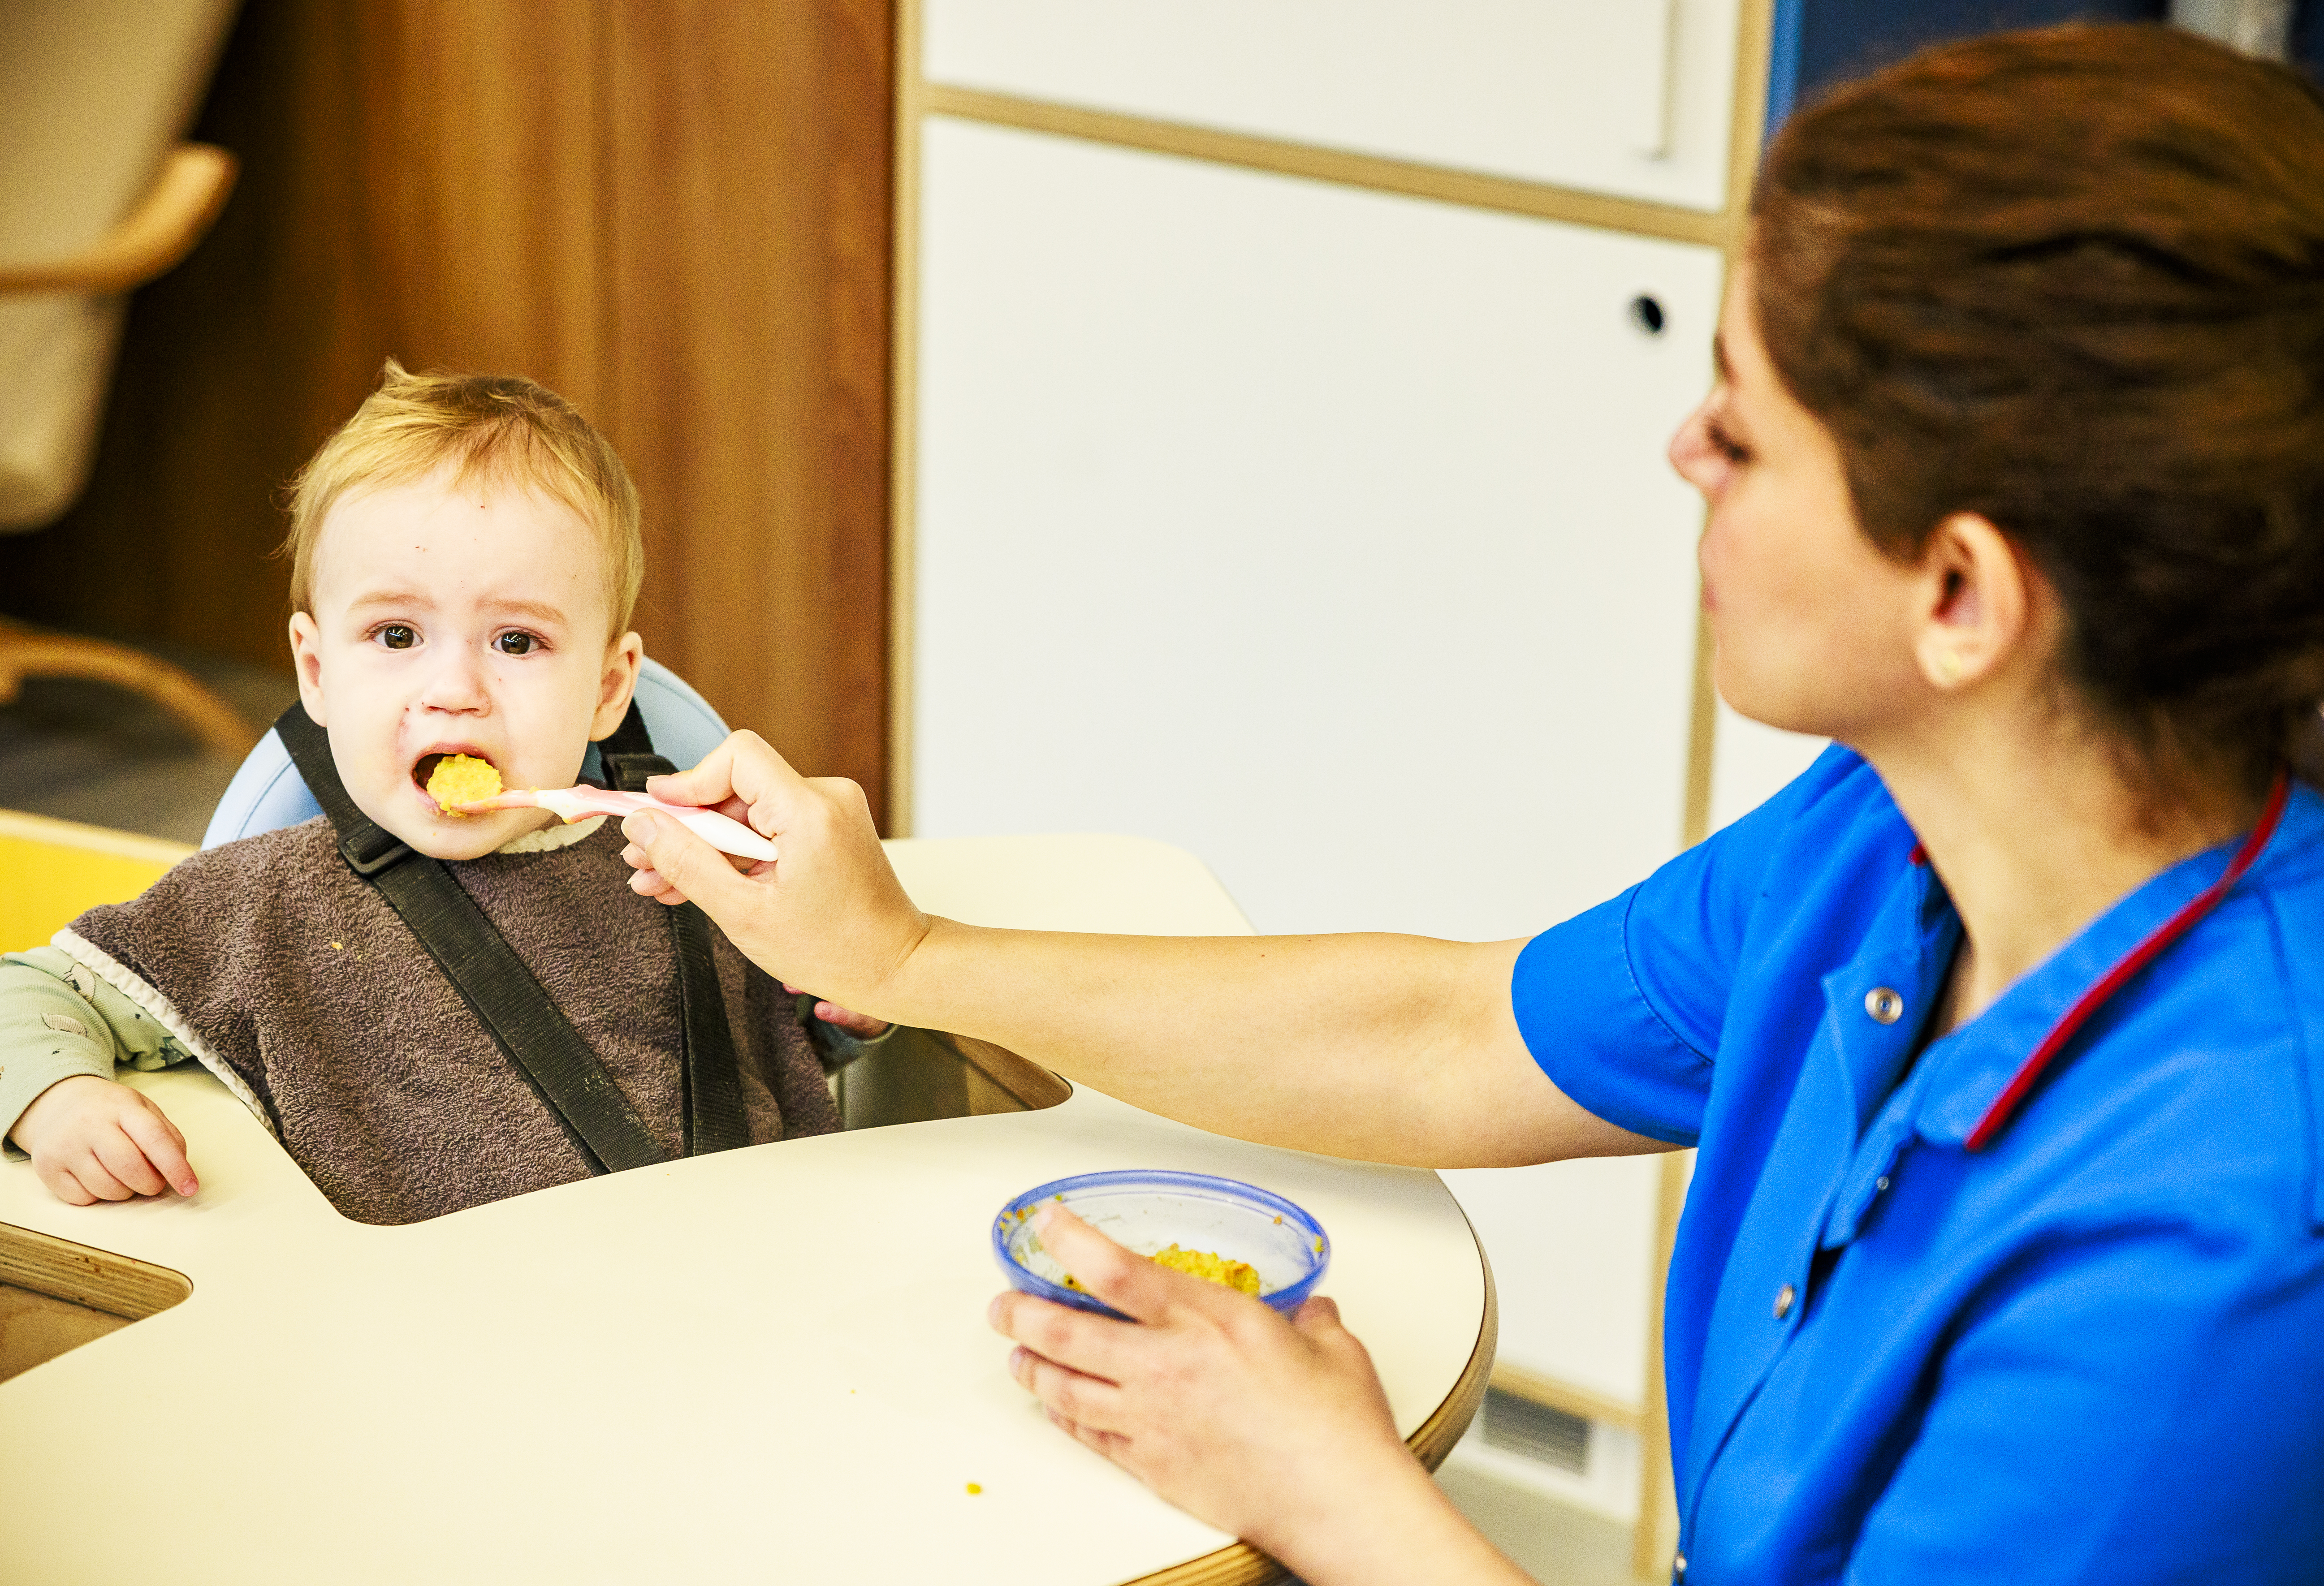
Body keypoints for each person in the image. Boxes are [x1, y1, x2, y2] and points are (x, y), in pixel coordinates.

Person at [609, 26, 2324, 1586]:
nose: (1677, 452)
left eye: (1739, 426)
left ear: (1958, 595)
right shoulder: (1886, 841)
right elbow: (1449, 1033)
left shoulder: (2220, 1248)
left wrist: (1326, 1486)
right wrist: (903, 950)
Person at [0, 364, 889, 1225]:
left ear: (609, 690)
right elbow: (15, 996)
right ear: (317, 672)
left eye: (516, 643)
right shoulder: (260, 908)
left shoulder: (687, 866)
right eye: (397, 636)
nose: (455, 689)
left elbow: (778, 1053)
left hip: (750, 1298)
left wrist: (842, 1004)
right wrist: (59, 1102)